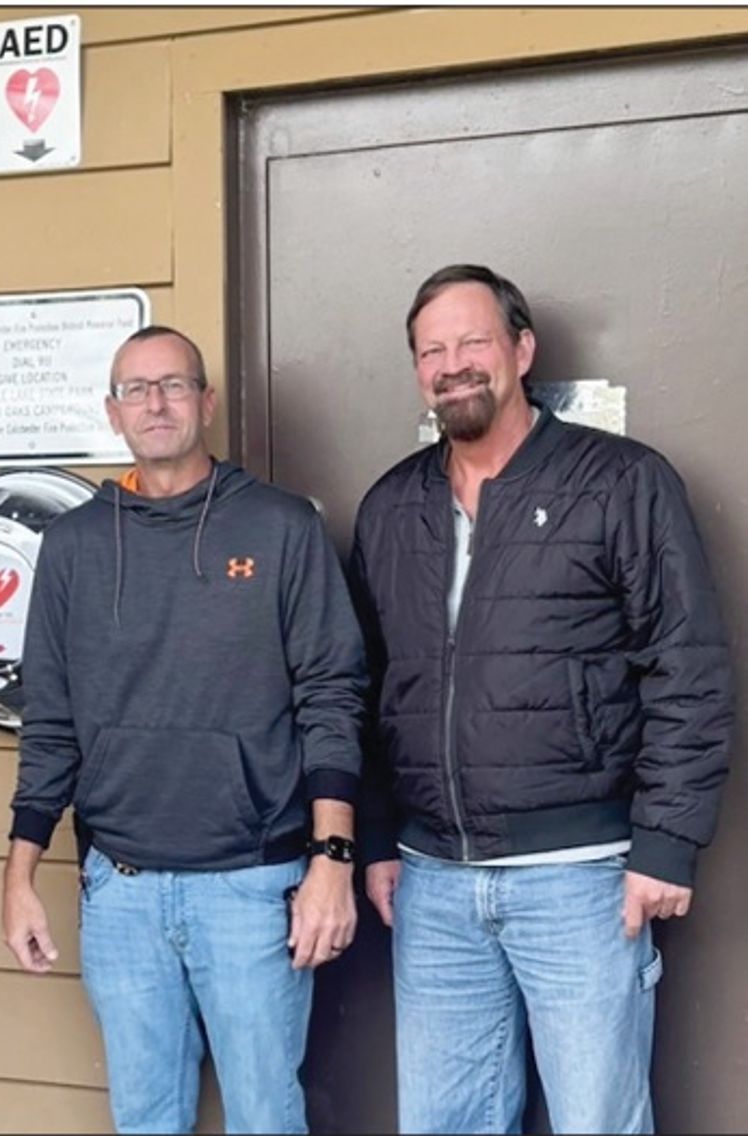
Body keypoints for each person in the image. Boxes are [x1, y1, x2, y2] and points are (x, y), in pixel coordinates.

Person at [349, 264, 734, 1134]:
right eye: (432, 350)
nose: (453, 365)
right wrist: (375, 837)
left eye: (473, 341)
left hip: (581, 881)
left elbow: (688, 666)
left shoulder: (620, 483)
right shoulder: (390, 505)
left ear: (522, 350)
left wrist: (667, 843)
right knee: (446, 1122)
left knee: (596, 1119)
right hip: (433, 883)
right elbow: (367, 689)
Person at [2, 325, 366, 1134]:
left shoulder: (280, 528)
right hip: (120, 890)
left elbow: (332, 696)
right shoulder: (73, 546)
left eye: (173, 385)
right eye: (136, 389)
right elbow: (51, 720)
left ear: (206, 402)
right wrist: (20, 871)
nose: (155, 403)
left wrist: (331, 858)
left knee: (266, 1117)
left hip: (251, 885)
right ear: (112, 410)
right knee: (145, 1119)